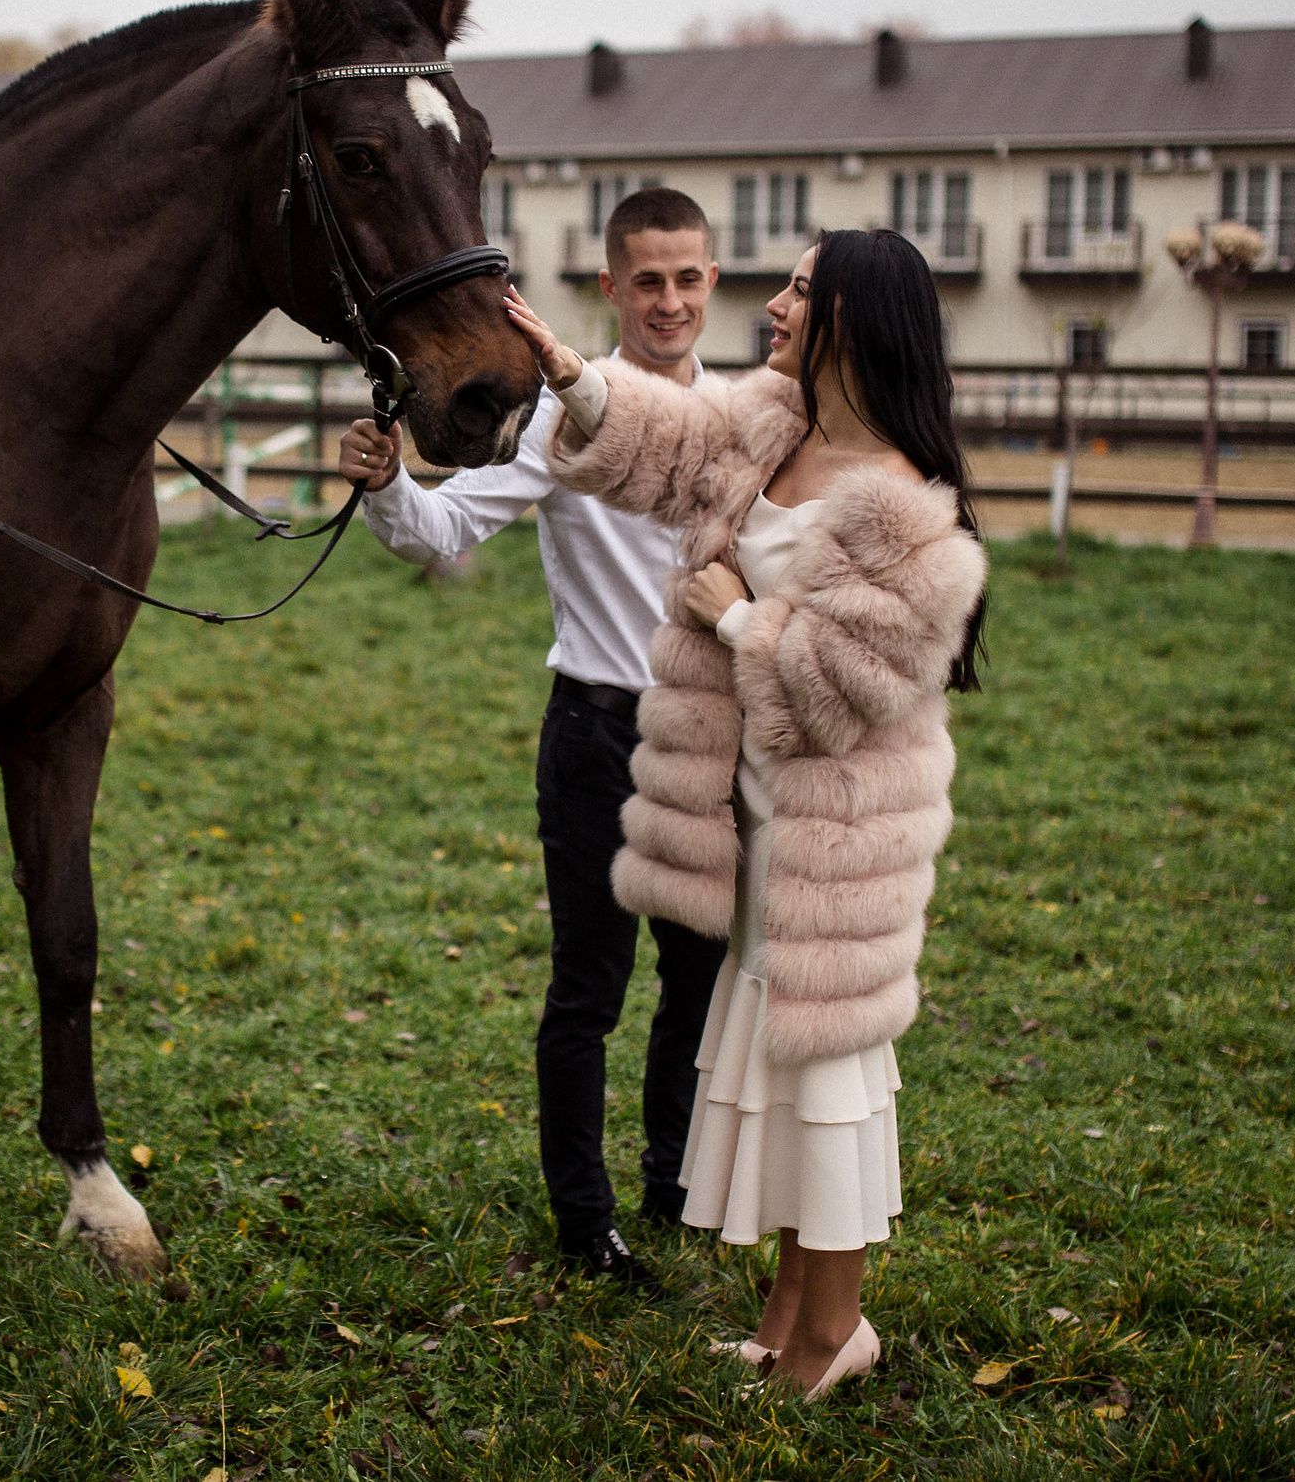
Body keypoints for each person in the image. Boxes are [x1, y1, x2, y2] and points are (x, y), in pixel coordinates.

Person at [505, 228, 988, 1399]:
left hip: (835, 845)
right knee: (775, 1071)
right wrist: (574, 375)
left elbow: (842, 692)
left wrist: (733, 621)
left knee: (826, 1089)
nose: (772, 305)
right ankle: (786, 1319)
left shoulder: (912, 517)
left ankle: (835, 1336)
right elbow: (670, 446)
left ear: (856, 321)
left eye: (801, 291)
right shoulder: (776, 427)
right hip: (757, 827)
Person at [337, 189, 731, 1290]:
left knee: (696, 987)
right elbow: (446, 524)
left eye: (687, 277)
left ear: (712, 283)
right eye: (645, 279)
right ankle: (585, 1222)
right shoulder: (561, 418)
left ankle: (678, 1181)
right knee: (588, 995)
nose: (668, 300)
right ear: (609, 286)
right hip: (596, 740)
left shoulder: (746, 418)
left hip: (708, 746)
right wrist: (386, 487)